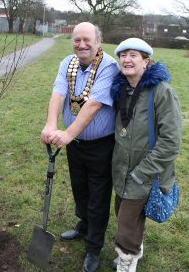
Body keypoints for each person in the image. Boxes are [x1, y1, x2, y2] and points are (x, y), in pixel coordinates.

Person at [40, 22, 119, 272]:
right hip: (74, 143)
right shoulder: (68, 63)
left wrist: (68, 133)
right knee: (80, 190)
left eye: (87, 40)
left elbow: (94, 104)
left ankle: (93, 249)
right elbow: (58, 94)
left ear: (98, 42)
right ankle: (84, 226)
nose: (81, 45)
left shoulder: (109, 66)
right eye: (77, 40)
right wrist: (51, 125)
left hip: (101, 145)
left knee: (98, 197)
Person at [110, 38, 182, 272]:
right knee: (122, 212)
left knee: (126, 221)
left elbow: (171, 142)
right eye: (123, 55)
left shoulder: (161, 92)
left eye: (133, 55)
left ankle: (127, 260)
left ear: (146, 61)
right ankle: (134, 249)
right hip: (121, 168)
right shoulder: (121, 89)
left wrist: (141, 173)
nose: (126, 60)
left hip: (145, 171)